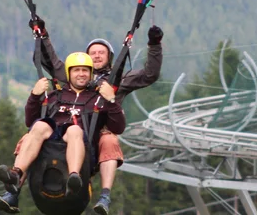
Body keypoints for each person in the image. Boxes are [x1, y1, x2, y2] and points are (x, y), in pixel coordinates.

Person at [26, 18, 164, 214]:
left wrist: (154, 44)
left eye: (102, 53)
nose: (97, 56)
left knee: (109, 141)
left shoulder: (118, 80)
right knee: (32, 133)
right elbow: (48, 60)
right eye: (93, 53)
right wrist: (42, 34)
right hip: (70, 128)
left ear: (109, 57)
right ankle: (15, 180)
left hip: (100, 131)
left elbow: (150, 74)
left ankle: (105, 195)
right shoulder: (75, 75)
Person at [0, 52, 124, 213]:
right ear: (69, 73)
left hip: (81, 143)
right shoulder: (56, 96)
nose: (81, 74)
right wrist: (35, 96)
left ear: (90, 74)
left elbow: (118, 128)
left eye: (85, 70)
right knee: (39, 127)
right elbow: (30, 121)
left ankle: (74, 177)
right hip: (51, 142)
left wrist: (112, 100)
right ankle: (15, 178)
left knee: (74, 129)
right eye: (77, 70)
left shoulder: (98, 99)